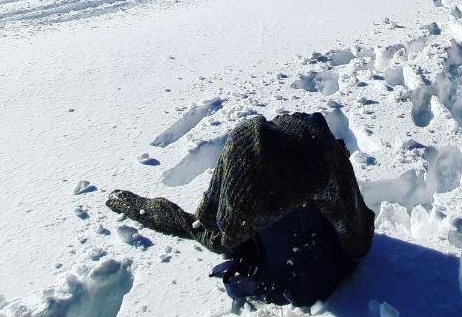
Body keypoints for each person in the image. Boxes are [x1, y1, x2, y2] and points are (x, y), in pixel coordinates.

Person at [107, 112, 375, 307]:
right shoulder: (319, 158)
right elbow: (357, 235)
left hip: (290, 281)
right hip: (327, 266)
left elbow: (213, 225)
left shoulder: (246, 179)